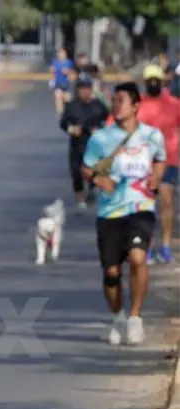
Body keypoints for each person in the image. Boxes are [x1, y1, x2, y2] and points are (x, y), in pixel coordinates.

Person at [82, 81, 166, 346]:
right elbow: (86, 167)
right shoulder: (100, 138)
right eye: (114, 101)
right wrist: (97, 180)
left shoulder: (152, 136)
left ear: (136, 106)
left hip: (140, 207)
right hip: (110, 212)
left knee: (138, 256)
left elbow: (161, 159)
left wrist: (156, 178)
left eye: (122, 101)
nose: (117, 105)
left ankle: (135, 317)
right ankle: (117, 317)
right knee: (111, 272)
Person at [136, 64, 180, 264]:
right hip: (142, 162)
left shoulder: (174, 104)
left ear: (163, 81)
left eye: (156, 79)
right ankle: (147, 247)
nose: (153, 83)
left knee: (167, 201)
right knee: (145, 206)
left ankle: (165, 247)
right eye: (149, 80)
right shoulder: (137, 104)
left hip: (168, 159)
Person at [59, 77, 109, 211]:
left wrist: (101, 129)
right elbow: (63, 123)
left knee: (94, 169)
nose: (84, 91)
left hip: (94, 143)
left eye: (87, 88)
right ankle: (80, 198)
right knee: (76, 171)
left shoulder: (98, 105)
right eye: (81, 89)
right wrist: (72, 129)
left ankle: (92, 189)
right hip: (78, 143)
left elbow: (109, 119)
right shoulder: (72, 106)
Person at [50, 47, 75, 114]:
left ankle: (68, 111)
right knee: (58, 97)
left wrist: (68, 72)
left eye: (62, 53)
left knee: (67, 99)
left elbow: (72, 72)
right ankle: (59, 112)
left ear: (65, 54)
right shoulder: (55, 62)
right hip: (58, 83)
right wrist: (52, 79)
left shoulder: (69, 62)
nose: (60, 55)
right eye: (59, 53)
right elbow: (53, 71)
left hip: (66, 83)